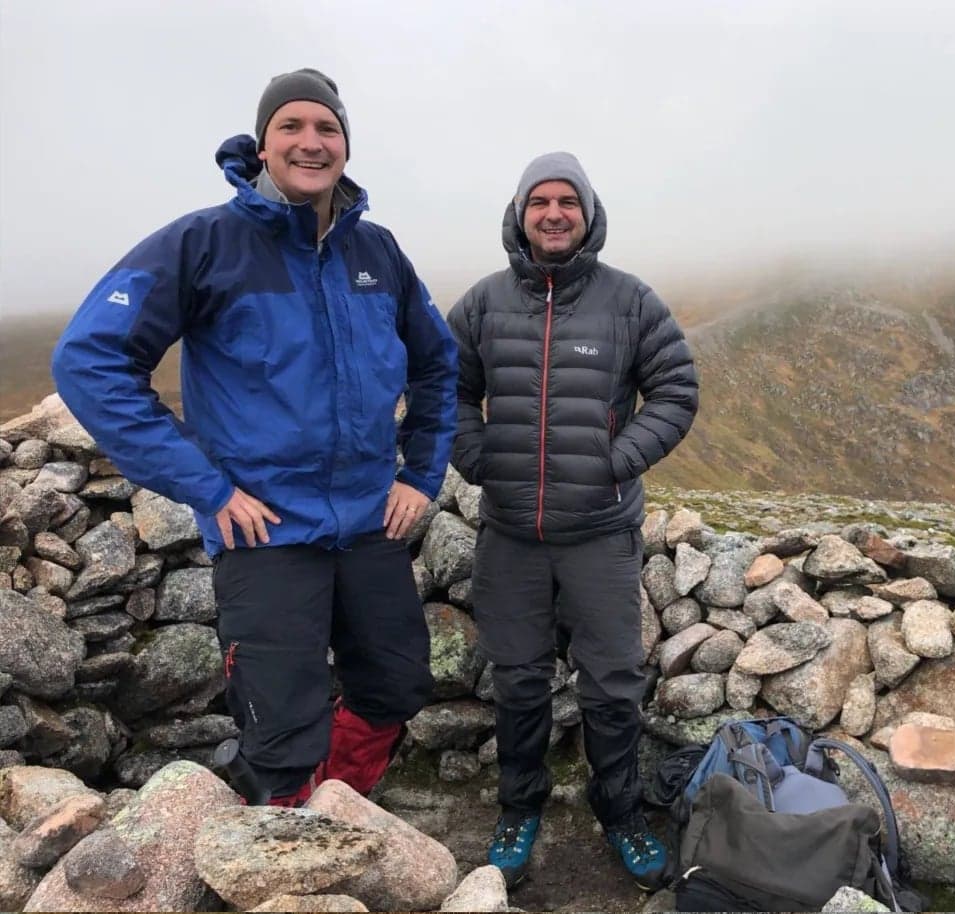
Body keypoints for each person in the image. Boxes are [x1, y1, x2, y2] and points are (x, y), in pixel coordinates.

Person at [52, 68, 458, 807]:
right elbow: (90, 359)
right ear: (262, 146)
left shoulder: (378, 253)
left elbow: (437, 363)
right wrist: (206, 487)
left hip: (368, 521)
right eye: (291, 127)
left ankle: (336, 811)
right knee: (280, 732)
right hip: (263, 529)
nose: (311, 141)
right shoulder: (206, 242)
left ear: (346, 144)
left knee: (397, 686)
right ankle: (280, 839)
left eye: (327, 127)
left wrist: (420, 474)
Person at [447, 151, 698, 890]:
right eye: (540, 202)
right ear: (519, 213)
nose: (554, 214)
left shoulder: (630, 301)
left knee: (613, 685)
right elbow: (444, 390)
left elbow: (676, 390)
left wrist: (615, 462)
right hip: (510, 536)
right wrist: (477, 457)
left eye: (568, 202)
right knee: (518, 682)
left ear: (588, 215)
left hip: (599, 535)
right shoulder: (483, 304)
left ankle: (620, 813)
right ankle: (519, 808)